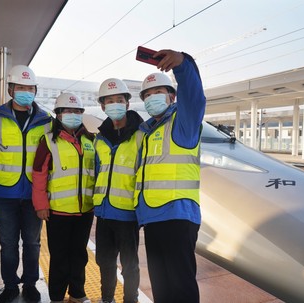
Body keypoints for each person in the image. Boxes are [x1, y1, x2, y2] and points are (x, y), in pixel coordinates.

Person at [0, 65, 52, 303]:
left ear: (35, 90)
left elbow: (52, 159)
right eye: (21, 87)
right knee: (7, 243)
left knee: (32, 243)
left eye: (30, 88)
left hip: (33, 193)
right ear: (10, 90)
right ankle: (9, 285)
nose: (26, 92)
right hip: (4, 191)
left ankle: (30, 284)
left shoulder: (46, 120)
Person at [134, 49, 206, 303]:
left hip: (177, 215)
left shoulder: (183, 123)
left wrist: (183, 64)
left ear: (172, 96)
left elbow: (195, 97)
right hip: (153, 217)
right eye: (148, 95)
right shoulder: (149, 131)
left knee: (180, 286)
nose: (152, 98)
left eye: (158, 93)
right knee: (161, 286)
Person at [32, 92, 95, 303]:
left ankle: (77, 293)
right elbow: (39, 174)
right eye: (68, 111)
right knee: (59, 257)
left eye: (77, 111)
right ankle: (57, 297)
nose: (73, 115)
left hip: (85, 210)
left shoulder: (90, 140)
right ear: (58, 114)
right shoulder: (49, 140)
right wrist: (41, 204)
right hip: (58, 210)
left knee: (79, 255)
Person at [93, 78, 143, 303]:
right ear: (103, 107)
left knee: (130, 265)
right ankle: (107, 299)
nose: (115, 104)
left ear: (127, 104)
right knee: (104, 262)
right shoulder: (99, 139)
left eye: (119, 100)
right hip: (104, 213)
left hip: (128, 213)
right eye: (109, 101)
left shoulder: (141, 135)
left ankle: (130, 300)